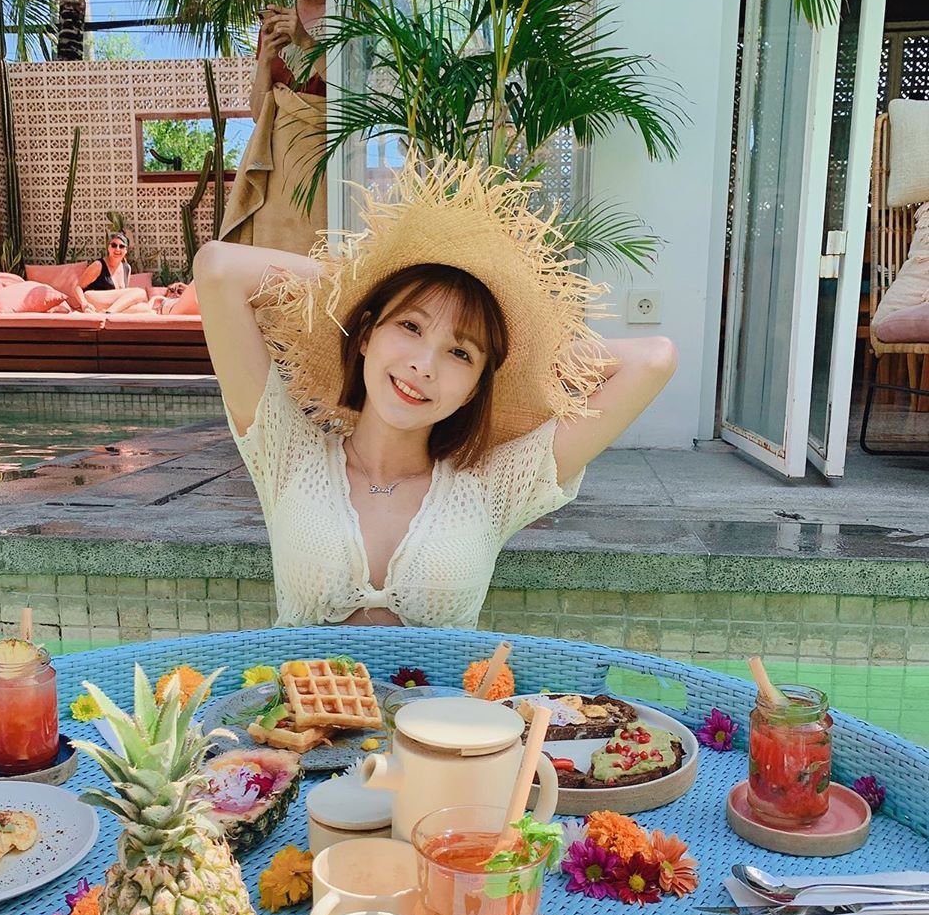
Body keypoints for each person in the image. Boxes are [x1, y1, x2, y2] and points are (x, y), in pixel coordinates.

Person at [194, 157, 677, 630]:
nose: (424, 366)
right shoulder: (286, 451)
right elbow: (218, 268)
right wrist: (353, 286)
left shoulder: (496, 483)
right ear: (366, 336)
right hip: (294, 688)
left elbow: (652, 360)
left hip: (449, 690)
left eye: (460, 353)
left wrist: (527, 362)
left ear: (473, 390)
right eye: (410, 326)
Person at [217, 0, 327, 253]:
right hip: (274, 166)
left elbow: (351, 92)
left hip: (322, 161)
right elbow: (257, 112)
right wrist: (266, 59)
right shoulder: (274, 22)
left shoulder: (343, 12)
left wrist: (305, 41)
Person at [74, 233, 153, 313]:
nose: (117, 249)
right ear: (109, 248)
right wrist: (84, 304)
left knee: (145, 308)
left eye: (121, 246)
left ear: (126, 250)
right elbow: (77, 287)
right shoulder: (98, 265)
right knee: (141, 292)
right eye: (114, 245)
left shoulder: (127, 268)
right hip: (93, 299)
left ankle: (107, 312)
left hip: (110, 305)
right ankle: (110, 312)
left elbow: (124, 298)